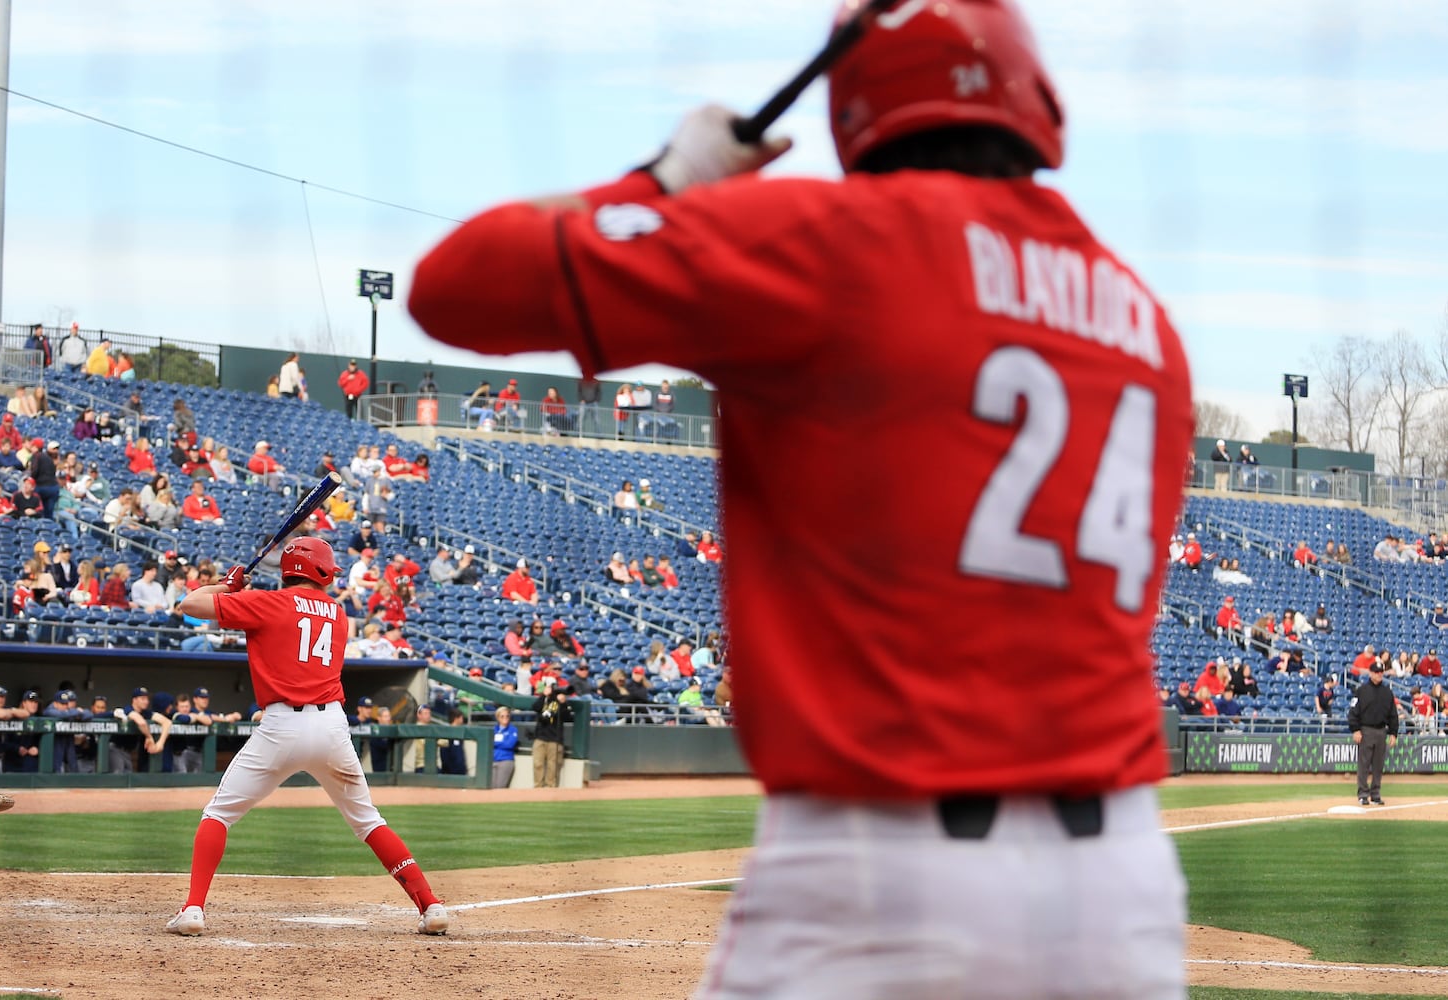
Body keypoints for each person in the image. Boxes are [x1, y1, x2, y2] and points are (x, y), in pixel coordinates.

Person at [411, 0, 1192, 992]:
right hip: (1116, 895)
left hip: (880, 874)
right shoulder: (1142, 323)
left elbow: (453, 284)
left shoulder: (835, 241)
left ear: (856, 103)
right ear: (1030, 97)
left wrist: (672, 180)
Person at [165, 537, 447, 936]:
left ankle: (193, 909)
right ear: (323, 572)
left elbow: (189, 605)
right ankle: (430, 905)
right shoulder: (338, 612)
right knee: (368, 821)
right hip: (332, 726)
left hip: (281, 726)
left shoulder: (267, 600)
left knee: (219, 814)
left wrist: (227, 587)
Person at [1348, 660, 1400, 807]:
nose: (1379, 675)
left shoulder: (1387, 692)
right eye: (1376, 672)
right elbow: (1353, 712)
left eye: (1380, 672)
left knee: (1378, 765)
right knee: (1364, 764)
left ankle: (1375, 794)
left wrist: (1393, 733)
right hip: (1366, 730)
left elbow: (1393, 715)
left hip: (1381, 731)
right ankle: (1363, 794)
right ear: (1370, 673)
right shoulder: (1362, 691)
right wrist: (1355, 729)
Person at [530, 678, 570, 787]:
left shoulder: (560, 702)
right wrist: (544, 695)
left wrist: (562, 703)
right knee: (538, 764)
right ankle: (538, 787)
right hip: (540, 737)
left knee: (553, 766)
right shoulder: (543, 700)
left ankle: (550, 788)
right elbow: (535, 707)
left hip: (555, 739)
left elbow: (567, 717)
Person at [489, 705, 518, 788]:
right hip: (493, 760)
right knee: (491, 786)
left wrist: (496, 743)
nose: (505, 718)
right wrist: (502, 742)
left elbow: (510, 744)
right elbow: (489, 742)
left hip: (506, 760)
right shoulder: (493, 730)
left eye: (507, 716)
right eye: (502, 716)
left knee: (500, 786)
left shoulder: (512, 729)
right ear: (498, 718)